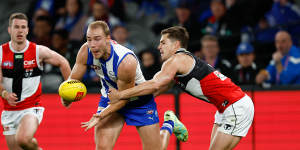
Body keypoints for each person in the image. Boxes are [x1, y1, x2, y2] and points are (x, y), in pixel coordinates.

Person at [93, 26, 254, 150]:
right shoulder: (178, 63)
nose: (158, 47)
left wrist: (121, 95)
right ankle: (171, 123)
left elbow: (154, 84)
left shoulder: (177, 59)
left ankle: (170, 124)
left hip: (235, 106)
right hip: (225, 108)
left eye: (163, 42)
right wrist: (128, 102)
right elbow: (154, 90)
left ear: (176, 44)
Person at [62, 20, 188, 150]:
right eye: (89, 39)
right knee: (103, 147)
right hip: (111, 98)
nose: (92, 45)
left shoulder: (125, 61)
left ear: (107, 39)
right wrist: (66, 95)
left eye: (97, 39)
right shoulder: (86, 50)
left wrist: (100, 115)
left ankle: (169, 124)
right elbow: (73, 81)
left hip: (138, 100)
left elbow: (123, 98)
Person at [0, 13, 71, 150]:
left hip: (31, 108)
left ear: (27, 30)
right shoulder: (1, 53)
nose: (20, 31)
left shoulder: (38, 51)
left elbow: (63, 62)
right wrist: (4, 94)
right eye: (16, 27)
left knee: (23, 139)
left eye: (23, 27)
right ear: (9, 29)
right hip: (9, 111)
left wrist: (69, 91)